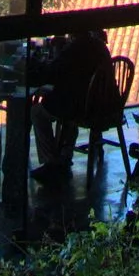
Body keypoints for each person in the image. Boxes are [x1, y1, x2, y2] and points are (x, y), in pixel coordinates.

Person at [27, 29, 113, 183]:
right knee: (66, 110)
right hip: (103, 106)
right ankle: (64, 158)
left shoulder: (74, 49)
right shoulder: (100, 46)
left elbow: (52, 73)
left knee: (37, 112)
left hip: (81, 108)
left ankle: (51, 162)